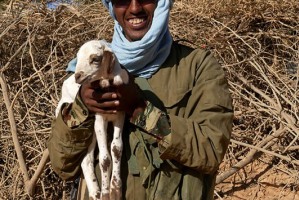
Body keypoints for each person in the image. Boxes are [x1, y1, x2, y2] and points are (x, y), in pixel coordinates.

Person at [47, 0, 233, 199]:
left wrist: (140, 109)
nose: (134, 8)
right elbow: (62, 165)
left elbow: (211, 151)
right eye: (122, 0)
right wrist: (81, 108)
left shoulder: (198, 67)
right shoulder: (87, 69)